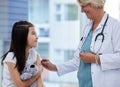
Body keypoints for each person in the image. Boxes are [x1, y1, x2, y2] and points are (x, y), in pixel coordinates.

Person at [41, 0, 120, 87]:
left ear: (94, 4)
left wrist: (96, 59)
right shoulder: (87, 28)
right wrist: (55, 67)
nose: (81, 10)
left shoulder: (115, 26)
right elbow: (78, 60)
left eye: (83, 6)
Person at [1, 21, 44, 87]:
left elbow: (40, 83)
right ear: (22, 37)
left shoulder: (35, 55)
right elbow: (20, 85)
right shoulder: (11, 57)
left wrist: (39, 73)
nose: (37, 37)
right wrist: (38, 73)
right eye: (33, 33)